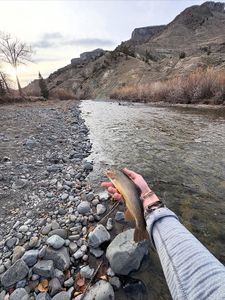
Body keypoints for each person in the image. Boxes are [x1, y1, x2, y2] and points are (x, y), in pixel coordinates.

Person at [101, 168, 225, 300]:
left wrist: (145, 197)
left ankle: (141, 225)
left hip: (141, 207)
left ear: (113, 174)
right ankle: (142, 224)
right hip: (143, 205)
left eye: (109, 170)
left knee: (133, 213)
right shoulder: (119, 178)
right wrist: (148, 195)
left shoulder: (115, 177)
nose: (107, 170)